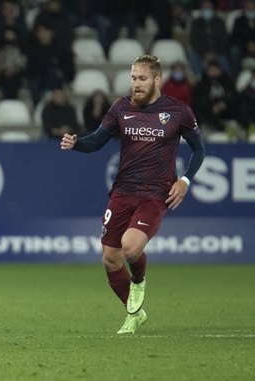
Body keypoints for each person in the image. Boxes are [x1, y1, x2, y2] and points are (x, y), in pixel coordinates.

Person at [60, 55, 206, 334]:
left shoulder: (178, 112)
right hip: (123, 192)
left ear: (156, 79)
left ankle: (139, 282)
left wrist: (185, 180)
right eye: (133, 78)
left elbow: (199, 149)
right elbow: (97, 141)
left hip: (155, 195)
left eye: (142, 78)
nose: (136, 84)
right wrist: (76, 143)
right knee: (110, 258)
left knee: (131, 247)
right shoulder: (121, 108)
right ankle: (135, 313)